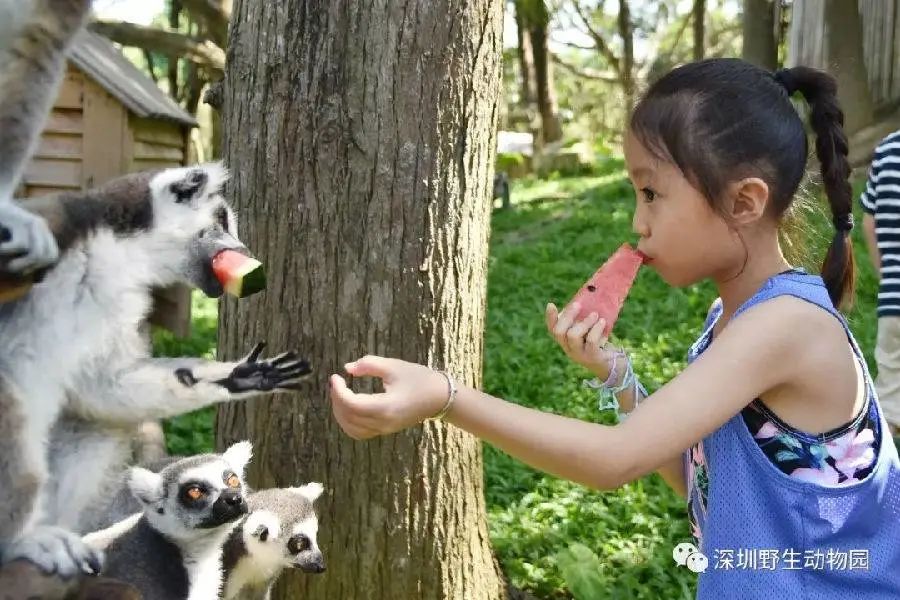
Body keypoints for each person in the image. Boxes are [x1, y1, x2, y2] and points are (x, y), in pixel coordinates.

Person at [328, 58, 900, 597]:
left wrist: (446, 398)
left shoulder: (788, 324)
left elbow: (614, 460)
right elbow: (704, 483)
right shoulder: (732, 318)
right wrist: (619, 375)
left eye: (651, 193)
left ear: (744, 202)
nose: (636, 221)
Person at [859, 129, 900, 437]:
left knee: (891, 396)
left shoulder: (886, 150)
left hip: (893, 301)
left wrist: (885, 274)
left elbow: (869, 222)